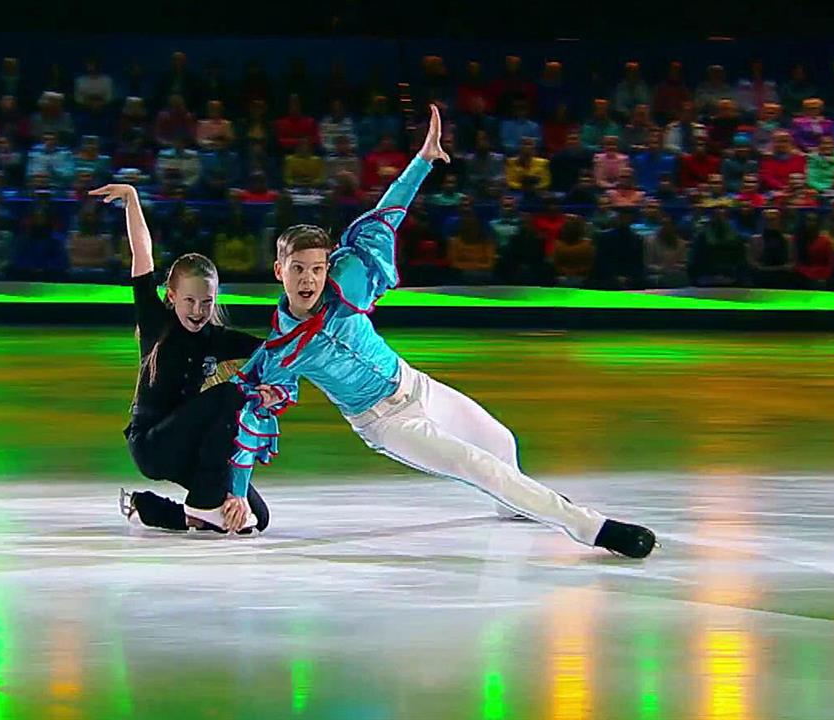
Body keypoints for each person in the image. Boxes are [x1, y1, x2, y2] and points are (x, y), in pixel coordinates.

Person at [223, 107, 656, 556]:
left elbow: (388, 212)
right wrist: (237, 493)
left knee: (501, 443)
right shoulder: (281, 351)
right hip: (387, 423)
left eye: (316, 268)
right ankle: (593, 527)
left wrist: (424, 160)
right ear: (279, 271)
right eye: (298, 269)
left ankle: (513, 501)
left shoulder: (345, 283)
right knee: (479, 465)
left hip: (416, 385)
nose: (309, 279)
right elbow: (252, 416)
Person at [89, 182, 272, 534]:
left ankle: (151, 507)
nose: (198, 311)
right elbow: (143, 256)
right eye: (189, 301)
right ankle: (205, 505)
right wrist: (132, 200)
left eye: (207, 302)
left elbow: (274, 350)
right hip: (152, 443)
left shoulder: (216, 338)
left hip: (189, 448)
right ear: (172, 297)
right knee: (231, 394)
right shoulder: (156, 323)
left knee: (257, 517)